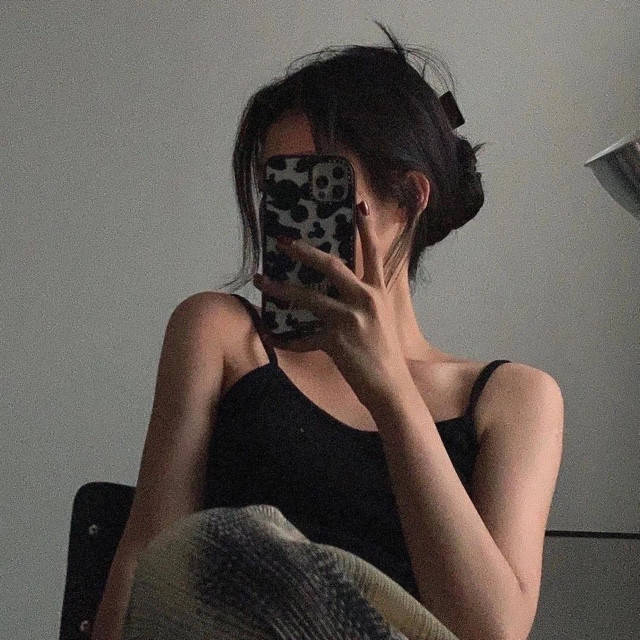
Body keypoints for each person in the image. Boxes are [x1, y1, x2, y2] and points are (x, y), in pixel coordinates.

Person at [92, 22, 564, 640]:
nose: (291, 220)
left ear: (408, 199)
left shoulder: (514, 398)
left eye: (318, 188)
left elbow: (492, 630)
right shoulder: (222, 337)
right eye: (277, 188)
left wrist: (389, 390)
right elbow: (149, 564)